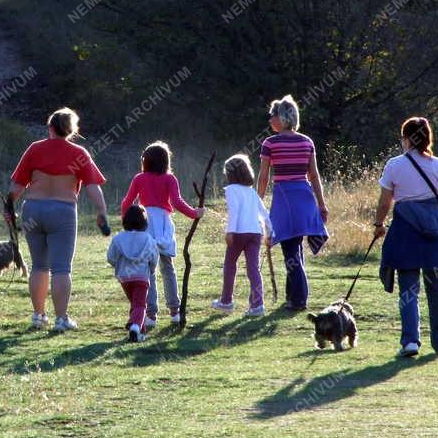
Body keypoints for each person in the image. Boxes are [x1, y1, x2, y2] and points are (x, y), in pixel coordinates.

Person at [8, 107, 108, 332]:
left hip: (33, 209)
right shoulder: (79, 153)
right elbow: (93, 188)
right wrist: (101, 211)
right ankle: (61, 319)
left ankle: (38, 315)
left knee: (39, 266)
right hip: (62, 211)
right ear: (71, 130)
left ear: (50, 128)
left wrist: (8, 207)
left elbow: (17, 186)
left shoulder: (35, 149)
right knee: (61, 268)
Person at [374, 116, 438, 357]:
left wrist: (378, 224)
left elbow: (385, 201)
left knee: (408, 288)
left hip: (405, 231)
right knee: (437, 288)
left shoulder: (394, 165)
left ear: (407, 139)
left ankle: (410, 341)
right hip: (435, 234)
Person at [120, 141, 205, 326]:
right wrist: (194, 213)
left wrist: (126, 223)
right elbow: (177, 202)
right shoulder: (169, 179)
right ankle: (174, 311)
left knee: (147, 269)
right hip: (164, 224)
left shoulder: (139, 178)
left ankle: (150, 315)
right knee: (168, 268)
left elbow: (127, 202)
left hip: (144, 224)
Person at [257, 95, 329, 311]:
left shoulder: (270, 144)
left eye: (273, 116)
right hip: (305, 198)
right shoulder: (307, 142)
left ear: (282, 117)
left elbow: (263, 177)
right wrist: (322, 204)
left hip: (285, 199)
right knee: (295, 248)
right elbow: (314, 176)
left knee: (290, 251)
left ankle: (299, 300)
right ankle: (292, 295)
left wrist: (257, 203)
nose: (270, 120)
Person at [212, 154, 272, 317]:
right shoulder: (251, 192)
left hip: (238, 233)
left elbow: (234, 212)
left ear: (231, 174)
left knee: (230, 266)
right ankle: (257, 305)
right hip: (255, 233)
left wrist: (229, 231)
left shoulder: (231, 190)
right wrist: (269, 232)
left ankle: (226, 301)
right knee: (253, 268)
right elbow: (264, 213)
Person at [106, 204, 159, 342]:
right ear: (144, 222)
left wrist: (118, 265)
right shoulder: (148, 239)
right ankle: (135, 327)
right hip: (141, 277)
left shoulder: (118, 239)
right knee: (140, 305)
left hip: (125, 278)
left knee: (136, 304)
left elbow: (111, 257)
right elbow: (154, 258)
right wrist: (152, 269)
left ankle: (140, 333)